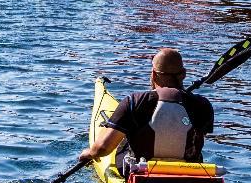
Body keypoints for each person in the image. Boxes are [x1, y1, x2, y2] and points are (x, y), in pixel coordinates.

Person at [77, 48, 214, 171]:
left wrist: (89, 153)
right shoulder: (203, 104)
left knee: (125, 140)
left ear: (153, 74)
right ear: (183, 74)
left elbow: (102, 149)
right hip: (191, 178)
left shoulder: (134, 101)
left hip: (143, 175)